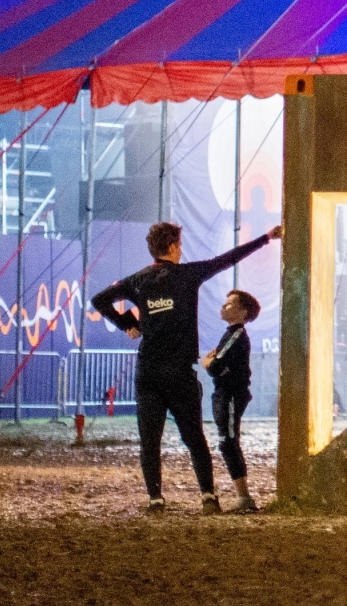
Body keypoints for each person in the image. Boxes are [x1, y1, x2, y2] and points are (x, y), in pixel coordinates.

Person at [91, 220, 283, 514]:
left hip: (148, 371)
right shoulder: (188, 274)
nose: (181, 250)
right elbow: (228, 258)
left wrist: (127, 324)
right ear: (172, 247)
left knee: (150, 441)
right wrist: (265, 238)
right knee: (195, 438)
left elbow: (99, 299)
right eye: (179, 245)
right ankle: (208, 497)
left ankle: (155, 501)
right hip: (179, 371)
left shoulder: (137, 281)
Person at [203, 289, 261, 514]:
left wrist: (208, 362)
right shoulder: (229, 334)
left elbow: (215, 366)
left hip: (230, 394)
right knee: (226, 441)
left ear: (243, 311)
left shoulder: (236, 334)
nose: (223, 307)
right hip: (224, 393)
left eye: (229, 304)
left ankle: (243, 496)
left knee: (228, 441)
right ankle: (242, 495)